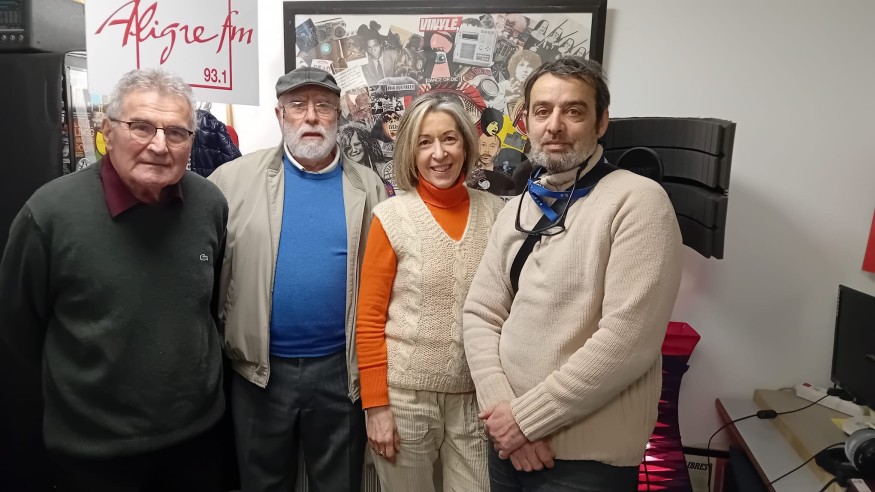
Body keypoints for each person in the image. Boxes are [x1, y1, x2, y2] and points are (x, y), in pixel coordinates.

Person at [0, 68, 229, 490]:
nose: (159, 145)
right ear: (107, 130)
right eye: (141, 127)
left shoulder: (209, 204)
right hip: (93, 456)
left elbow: (207, 309)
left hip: (196, 443)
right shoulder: (49, 214)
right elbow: (16, 344)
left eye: (176, 133)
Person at [463, 57, 683, 491]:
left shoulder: (639, 202)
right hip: (507, 445)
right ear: (527, 121)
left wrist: (524, 421)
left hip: (586, 464)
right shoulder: (518, 208)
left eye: (574, 111)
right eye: (542, 111)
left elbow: (627, 342)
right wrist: (503, 414)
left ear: (601, 122)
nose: (555, 125)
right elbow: (480, 314)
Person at [207, 67, 388, 491]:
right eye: (297, 106)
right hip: (258, 374)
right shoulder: (231, 181)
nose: (311, 116)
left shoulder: (369, 188)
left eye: (323, 106)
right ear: (280, 115)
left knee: (339, 484)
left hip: (341, 374)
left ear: (338, 116)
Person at [355, 92, 505, 491]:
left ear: (466, 145)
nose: (439, 153)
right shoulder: (391, 217)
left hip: (476, 399)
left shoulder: (497, 214)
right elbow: (368, 320)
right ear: (411, 152)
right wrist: (375, 407)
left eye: (449, 139)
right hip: (405, 400)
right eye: (425, 142)